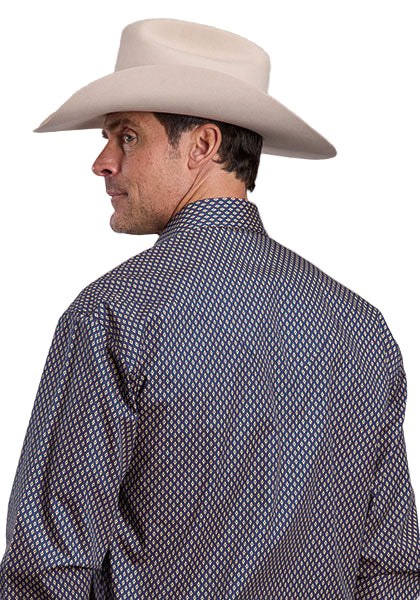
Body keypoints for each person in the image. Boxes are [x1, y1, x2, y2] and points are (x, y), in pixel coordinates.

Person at [1, 17, 419, 600]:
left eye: (127, 137)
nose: (102, 162)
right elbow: (390, 572)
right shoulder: (361, 327)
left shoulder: (114, 315)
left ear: (203, 145)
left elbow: (48, 572)